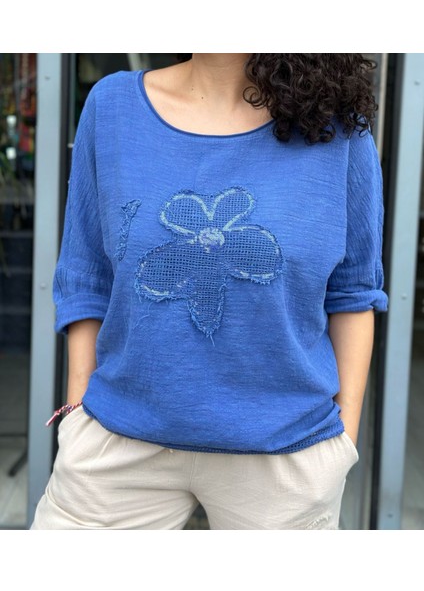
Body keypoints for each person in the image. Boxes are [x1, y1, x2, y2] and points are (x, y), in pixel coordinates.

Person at [31, 53, 389, 530]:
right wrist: (78, 412)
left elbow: (354, 292)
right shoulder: (112, 106)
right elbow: (87, 276)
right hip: (116, 442)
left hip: (285, 457)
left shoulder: (337, 127)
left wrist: (343, 441)